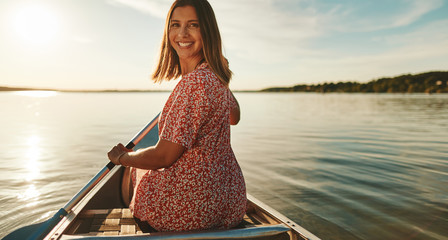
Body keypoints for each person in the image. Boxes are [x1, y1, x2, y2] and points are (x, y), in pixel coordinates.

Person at [107, 0, 246, 232]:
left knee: (136, 168)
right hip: (228, 202)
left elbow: (164, 157)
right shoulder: (213, 78)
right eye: (175, 25)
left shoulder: (193, 84)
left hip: (192, 211)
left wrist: (122, 158)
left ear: (207, 31)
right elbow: (235, 116)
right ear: (168, 31)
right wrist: (222, 75)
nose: (182, 33)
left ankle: (138, 214)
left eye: (193, 25)